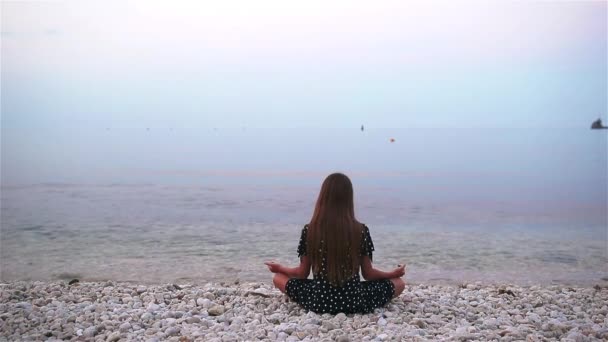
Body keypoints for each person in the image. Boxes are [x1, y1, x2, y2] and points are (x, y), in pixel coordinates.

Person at [264, 173, 406, 314]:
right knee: (399, 283)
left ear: (323, 197)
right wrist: (392, 273)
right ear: (349, 199)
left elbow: (302, 274)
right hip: (355, 301)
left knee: (278, 278)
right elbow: (368, 274)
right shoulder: (361, 230)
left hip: (319, 301)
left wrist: (280, 268)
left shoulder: (310, 230)